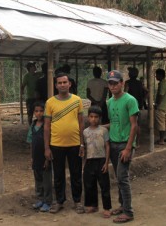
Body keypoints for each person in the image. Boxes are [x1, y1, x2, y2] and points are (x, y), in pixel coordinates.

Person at [44, 72, 85, 214]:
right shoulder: (50, 102)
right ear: (56, 85)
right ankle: (59, 201)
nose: (62, 85)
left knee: (76, 174)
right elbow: (46, 126)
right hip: (56, 145)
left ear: (70, 84)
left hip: (74, 144)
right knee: (59, 175)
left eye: (64, 82)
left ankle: (77, 201)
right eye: (59, 83)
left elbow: (81, 122)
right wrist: (47, 148)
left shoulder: (77, 100)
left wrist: (82, 144)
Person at [105, 69, 138, 223]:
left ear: (122, 83)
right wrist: (96, 127)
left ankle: (128, 212)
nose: (113, 86)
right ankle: (122, 205)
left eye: (116, 83)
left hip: (125, 144)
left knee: (122, 177)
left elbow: (134, 126)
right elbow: (113, 123)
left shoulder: (130, 100)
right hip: (113, 142)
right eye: (110, 83)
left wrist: (128, 148)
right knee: (118, 176)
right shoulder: (109, 102)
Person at [82, 105, 112, 218]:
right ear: (88, 117)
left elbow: (107, 146)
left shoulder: (103, 130)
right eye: (91, 116)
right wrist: (83, 164)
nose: (93, 119)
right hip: (89, 160)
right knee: (89, 184)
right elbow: (84, 148)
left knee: (104, 185)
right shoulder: (85, 132)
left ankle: (107, 207)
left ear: (100, 118)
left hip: (101, 160)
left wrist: (106, 162)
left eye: (96, 117)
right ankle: (92, 205)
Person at [26, 101, 52, 212]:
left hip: (45, 157)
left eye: (41, 111)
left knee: (46, 180)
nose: (39, 113)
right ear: (33, 113)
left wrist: (48, 158)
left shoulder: (47, 125)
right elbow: (31, 141)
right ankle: (40, 199)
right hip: (36, 157)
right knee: (38, 179)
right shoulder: (33, 125)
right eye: (36, 111)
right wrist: (32, 157)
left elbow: (50, 142)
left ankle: (48, 201)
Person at [124, 67, 147, 148]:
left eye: (129, 72)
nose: (128, 74)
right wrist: (143, 100)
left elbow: (125, 93)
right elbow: (146, 91)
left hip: (129, 106)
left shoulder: (127, 83)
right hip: (138, 105)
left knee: (129, 124)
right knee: (137, 124)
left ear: (131, 74)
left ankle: (129, 141)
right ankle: (137, 142)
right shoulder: (140, 83)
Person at [155, 68, 166, 145]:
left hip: (161, 107)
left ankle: (161, 140)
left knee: (161, 124)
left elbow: (161, 95)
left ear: (160, 75)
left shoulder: (162, 84)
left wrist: (157, 104)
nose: (156, 76)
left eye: (157, 75)